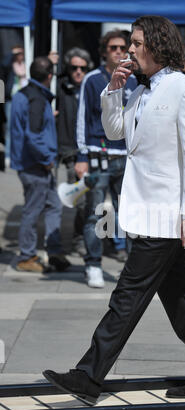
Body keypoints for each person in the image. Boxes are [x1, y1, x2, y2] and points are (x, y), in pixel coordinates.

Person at [43, 15, 185, 405]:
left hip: (166, 215)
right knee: (182, 298)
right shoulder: (138, 90)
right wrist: (114, 89)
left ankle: (89, 376)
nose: (130, 48)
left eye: (138, 42)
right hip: (142, 210)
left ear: (159, 46)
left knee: (127, 296)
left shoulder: (184, 90)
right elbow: (115, 132)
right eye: (130, 41)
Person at [76, 30, 137, 288]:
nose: (118, 51)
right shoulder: (92, 79)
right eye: (113, 47)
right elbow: (81, 118)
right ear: (104, 51)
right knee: (96, 214)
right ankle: (93, 265)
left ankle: (136, 272)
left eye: (123, 47)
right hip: (98, 154)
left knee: (132, 215)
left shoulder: (136, 79)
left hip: (127, 157)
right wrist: (81, 155)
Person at [10, 57, 70, 273]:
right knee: (32, 210)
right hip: (35, 165)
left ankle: (53, 251)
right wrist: (46, 159)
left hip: (29, 163)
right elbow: (33, 136)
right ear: (50, 76)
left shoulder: (23, 95)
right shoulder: (37, 99)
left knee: (53, 205)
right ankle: (27, 257)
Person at [57, 47, 93, 256]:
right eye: (74, 68)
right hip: (71, 152)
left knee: (92, 200)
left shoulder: (93, 87)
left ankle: (88, 237)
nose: (78, 72)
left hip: (93, 150)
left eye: (82, 68)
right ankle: (79, 240)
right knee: (80, 201)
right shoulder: (62, 87)